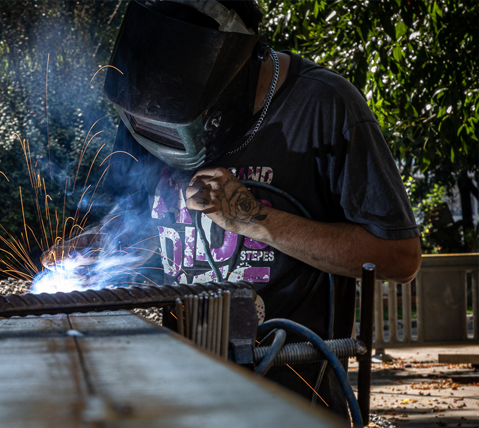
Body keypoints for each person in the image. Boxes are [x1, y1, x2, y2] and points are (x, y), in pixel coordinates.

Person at [53, 0, 422, 419]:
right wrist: (107, 243)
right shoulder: (144, 110)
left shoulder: (324, 105)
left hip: (294, 402)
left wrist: (255, 219)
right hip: (183, 401)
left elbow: (400, 258)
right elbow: (144, 219)